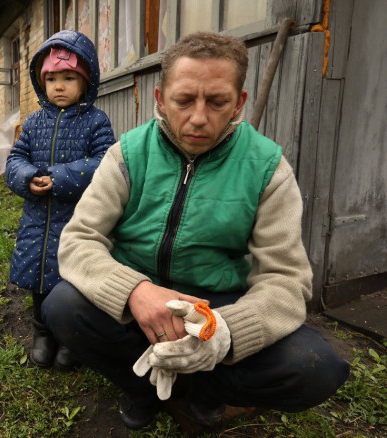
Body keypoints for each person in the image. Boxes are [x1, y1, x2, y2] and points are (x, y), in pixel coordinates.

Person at [42, 31, 350, 431]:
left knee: (316, 368)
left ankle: (209, 388)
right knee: (61, 306)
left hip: (218, 305)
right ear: (160, 99)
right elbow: (79, 240)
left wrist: (224, 333)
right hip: (141, 297)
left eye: (218, 101)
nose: (199, 117)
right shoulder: (127, 155)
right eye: (184, 101)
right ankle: (141, 387)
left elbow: (287, 281)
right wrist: (135, 291)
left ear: (239, 102)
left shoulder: (268, 168)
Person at [5, 30, 115, 369]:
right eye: (52, 78)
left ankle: (69, 339)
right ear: (42, 83)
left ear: (87, 81)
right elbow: (15, 159)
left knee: (73, 277)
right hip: (37, 220)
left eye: (69, 77)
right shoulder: (34, 122)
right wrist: (26, 177)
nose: (59, 86)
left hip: (78, 219)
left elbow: (104, 163)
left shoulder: (95, 121)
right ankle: (42, 333)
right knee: (38, 277)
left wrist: (59, 177)